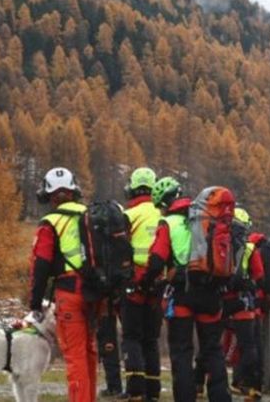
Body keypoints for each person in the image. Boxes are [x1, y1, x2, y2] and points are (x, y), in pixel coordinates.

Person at [142, 176, 231, 402]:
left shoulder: (168, 223)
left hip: (182, 294)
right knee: (213, 350)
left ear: (163, 204)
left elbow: (156, 261)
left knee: (182, 352)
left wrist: (146, 282)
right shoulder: (205, 218)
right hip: (211, 292)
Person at [28, 167, 98, 402]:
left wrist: (35, 303)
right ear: (73, 190)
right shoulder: (90, 215)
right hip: (95, 292)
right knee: (89, 351)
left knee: (75, 354)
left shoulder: (50, 222)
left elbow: (41, 266)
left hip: (69, 292)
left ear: (48, 194)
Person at [121, 167, 163, 402]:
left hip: (134, 281)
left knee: (131, 337)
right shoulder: (162, 215)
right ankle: (153, 391)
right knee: (151, 340)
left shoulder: (131, 215)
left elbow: (120, 247)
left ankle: (135, 390)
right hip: (158, 283)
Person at [224, 207, 265, 400]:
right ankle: (248, 384)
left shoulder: (219, 242)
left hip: (219, 301)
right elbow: (259, 276)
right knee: (248, 345)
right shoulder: (250, 248)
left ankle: (200, 383)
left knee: (211, 343)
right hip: (243, 303)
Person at [96, 297, 122, 396]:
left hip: (106, 313)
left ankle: (115, 387)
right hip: (104, 313)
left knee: (109, 349)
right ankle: (112, 386)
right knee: (105, 350)